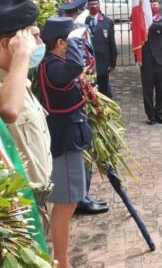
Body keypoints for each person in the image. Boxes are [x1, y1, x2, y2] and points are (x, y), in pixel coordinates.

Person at [0, 0, 55, 223]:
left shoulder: (20, 85)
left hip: (37, 202)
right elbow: (8, 111)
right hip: (19, 208)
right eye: (33, 36)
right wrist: (21, 55)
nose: (39, 42)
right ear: (7, 43)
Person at [37, 17, 94, 268]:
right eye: (69, 43)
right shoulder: (53, 66)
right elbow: (73, 68)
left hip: (69, 137)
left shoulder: (54, 63)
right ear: (61, 43)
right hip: (64, 142)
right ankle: (62, 263)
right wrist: (74, 42)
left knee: (68, 203)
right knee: (65, 204)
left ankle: (61, 260)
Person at [58, 0, 109, 216]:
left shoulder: (81, 34)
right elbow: (76, 66)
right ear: (73, 16)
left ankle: (83, 196)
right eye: (81, 12)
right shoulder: (70, 38)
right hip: (78, 103)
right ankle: (80, 199)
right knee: (82, 150)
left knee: (86, 149)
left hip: (86, 96)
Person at [140, 0, 162, 125]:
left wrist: (150, 25)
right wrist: (152, 25)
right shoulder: (141, 20)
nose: (154, 6)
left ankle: (159, 112)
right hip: (147, 60)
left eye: (155, 5)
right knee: (147, 89)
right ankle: (150, 115)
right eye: (151, 5)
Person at [84, 0, 117, 98]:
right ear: (87, 6)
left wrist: (112, 63)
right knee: (92, 92)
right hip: (89, 64)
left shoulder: (107, 22)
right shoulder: (85, 21)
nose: (93, 6)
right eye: (91, 4)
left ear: (99, 5)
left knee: (105, 92)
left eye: (95, 3)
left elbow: (112, 43)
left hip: (103, 63)